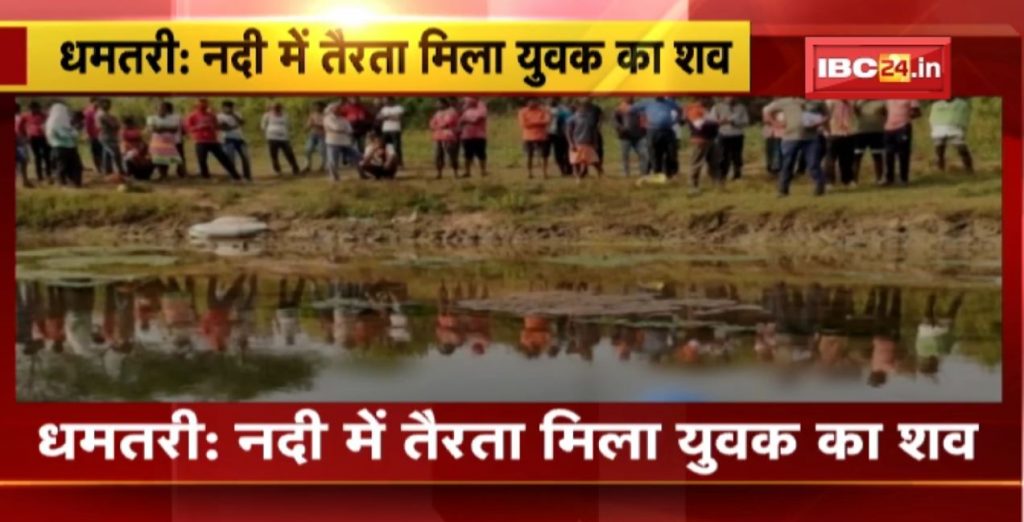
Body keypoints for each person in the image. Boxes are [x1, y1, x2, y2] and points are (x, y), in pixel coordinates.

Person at [765, 97, 827, 196]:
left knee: (813, 163)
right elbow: (768, 112)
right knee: (787, 164)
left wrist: (819, 123)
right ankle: (783, 190)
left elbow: (827, 115)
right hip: (790, 138)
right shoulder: (785, 101)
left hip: (811, 138)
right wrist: (776, 124)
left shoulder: (817, 101)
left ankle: (820, 188)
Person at [185, 99, 240, 180]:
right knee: (202, 160)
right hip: (200, 141)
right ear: (196, 105)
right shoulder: (192, 116)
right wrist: (199, 127)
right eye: (201, 104)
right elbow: (188, 128)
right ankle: (205, 177)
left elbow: (216, 126)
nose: (203, 106)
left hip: (212, 140)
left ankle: (236, 176)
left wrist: (218, 126)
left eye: (205, 104)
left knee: (223, 158)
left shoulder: (211, 115)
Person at [631, 97, 680, 176]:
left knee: (671, 152)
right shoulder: (646, 102)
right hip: (653, 131)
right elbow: (632, 109)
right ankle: (657, 173)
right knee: (655, 153)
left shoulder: (670, 102)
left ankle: (670, 173)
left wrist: (676, 120)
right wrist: (643, 120)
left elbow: (679, 109)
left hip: (667, 130)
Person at [929, 97, 974, 173]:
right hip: (939, 129)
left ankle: (969, 169)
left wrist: (963, 127)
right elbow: (932, 118)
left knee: (962, 149)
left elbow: (964, 117)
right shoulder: (936, 105)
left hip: (954, 129)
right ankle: (940, 169)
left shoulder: (962, 104)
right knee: (939, 151)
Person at [44, 101, 83, 187]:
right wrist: (72, 133)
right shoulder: (53, 123)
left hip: (70, 147)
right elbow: (63, 135)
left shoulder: (64, 122)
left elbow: (73, 132)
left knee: (76, 166)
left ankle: (75, 183)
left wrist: (73, 132)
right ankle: (62, 184)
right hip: (60, 147)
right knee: (62, 167)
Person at [883, 99, 921, 185]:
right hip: (888, 128)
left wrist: (907, 115)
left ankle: (903, 178)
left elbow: (917, 113)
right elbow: (885, 111)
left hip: (903, 127)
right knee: (889, 153)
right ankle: (889, 179)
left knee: (903, 153)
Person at [685, 98, 721, 188]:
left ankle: (717, 184)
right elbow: (699, 124)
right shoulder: (693, 109)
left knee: (714, 162)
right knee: (697, 163)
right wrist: (716, 122)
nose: (710, 100)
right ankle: (693, 185)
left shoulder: (705, 110)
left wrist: (715, 122)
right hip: (700, 140)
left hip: (711, 139)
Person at [710, 97, 749, 180]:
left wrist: (733, 122)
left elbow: (745, 121)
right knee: (722, 155)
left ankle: (737, 174)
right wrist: (720, 121)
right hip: (723, 134)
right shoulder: (717, 107)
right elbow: (711, 121)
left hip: (737, 134)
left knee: (737, 156)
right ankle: (722, 174)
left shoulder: (741, 107)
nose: (731, 97)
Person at [323, 100, 362, 181]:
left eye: (339, 108)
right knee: (333, 161)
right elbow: (336, 128)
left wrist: (342, 130)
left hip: (345, 141)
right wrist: (343, 130)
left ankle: (362, 173)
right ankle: (334, 177)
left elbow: (350, 130)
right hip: (333, 141)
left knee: (357, 157)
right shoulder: (328, 118)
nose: (339, 109)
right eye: (337, 108)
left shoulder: (343, 119)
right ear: (332, 109)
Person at [146, 101, 184, 180]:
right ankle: (161, 174)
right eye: (160, 108)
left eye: (164, 108)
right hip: (157, 142)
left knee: (166, 159)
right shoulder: (151, 118)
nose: (163, 110)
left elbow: (174, 129)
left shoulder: (171, 118)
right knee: (157, 159)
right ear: (156, 109)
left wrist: (161, 128)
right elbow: (153, 129)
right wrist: (167, 128)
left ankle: (164, 174)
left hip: (168, 142)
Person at [566, 101, 602, 181]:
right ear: (578, 108)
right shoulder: (572, 119)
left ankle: (600, 174)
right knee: (575, 161)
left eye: (585, 108)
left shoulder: (590, 119)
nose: (583, 109)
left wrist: (595, 142)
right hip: (576, 143)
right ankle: (577, 178)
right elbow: (568, 132)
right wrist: (571, 143)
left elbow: (594, 131)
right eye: (582, 107)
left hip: (587, 142)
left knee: (593, 160)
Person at [853, 99, 887, 184]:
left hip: (877, 132)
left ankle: (879, 179)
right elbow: (855, 112)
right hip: (861, 132)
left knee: (877, 156)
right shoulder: (859, 101)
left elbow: (886, 114)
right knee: (857, 157)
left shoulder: (882, 101)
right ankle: (854, 180)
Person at [824, 99, 857, 186]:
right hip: (834, 133)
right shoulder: (830, 101)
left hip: (848, 133)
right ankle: (829, 181)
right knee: (831, 159)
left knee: (847, 159)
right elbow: (825, 117)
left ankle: (847, 180)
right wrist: (826, 131)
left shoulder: (851, 102)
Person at [261, 102, 300, 176]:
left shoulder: (285, 115)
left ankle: (295, 168)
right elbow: (263, 125)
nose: (276, 109)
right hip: (272, 137)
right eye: (274, 108)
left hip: (284, 137)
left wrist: (291, 133)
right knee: (274, 155)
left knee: (289, 153)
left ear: (280, 108)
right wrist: (266, 134)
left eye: (278, 107)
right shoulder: (267, 115)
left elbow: (288, 125)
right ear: (272, 108)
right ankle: (277, 169)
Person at [218, 100, 252, 181]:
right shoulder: (219, 116)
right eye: (228, 107)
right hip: (228, 139)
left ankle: (247, 176)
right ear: (223, 108)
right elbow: (224, 128)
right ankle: (234, 176)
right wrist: (235, 126)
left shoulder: (237, 114)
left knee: (246, 157)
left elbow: (243, 122)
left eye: (231, 107)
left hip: (240, 138)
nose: (230, 109)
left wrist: (234, 115)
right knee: (231, 159)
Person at [517, 99, 551, 179]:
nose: (532, 103)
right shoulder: (522, 111)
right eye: (530, 101)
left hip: (542, 136)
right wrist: (540, 122)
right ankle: (529, 173)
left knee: (544, 156)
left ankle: (544, 173)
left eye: (534, 101)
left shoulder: (543, 110)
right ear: (527, 102)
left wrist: (531, 122)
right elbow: (523, 124)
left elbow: (547, 121)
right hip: (528, 137)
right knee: (529, 156)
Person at [614, 97, 648, 177]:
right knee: (625, 156)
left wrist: (645, 128)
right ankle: (626, 174)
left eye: (630, 96)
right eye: (626, 96)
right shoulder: (619, 109)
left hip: (639, 136)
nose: (628, 97)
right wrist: (621, 128)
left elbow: (644, 119)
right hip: (625, 136)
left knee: (644, 154)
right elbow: (615, 121)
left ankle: (643, 172)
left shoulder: (639, 107)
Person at [429, 98, 460, 179]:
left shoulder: (451, 111)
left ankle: (455, 172)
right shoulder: (437, 113)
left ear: (444, 104)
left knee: (451, 155)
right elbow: (432, 123)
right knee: (438, 155)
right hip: (438, 136)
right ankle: (439, 173)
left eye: (439, 103)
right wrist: (435, 126)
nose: (437, 105)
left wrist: (437, 126)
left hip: (448, 136)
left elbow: (447, 122)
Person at [21, 101, 51, 183]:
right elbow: (20, 126)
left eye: (35, 108)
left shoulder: (44, 115)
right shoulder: (26, 116)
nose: (33, 110)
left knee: (47, 156)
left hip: (44, 137)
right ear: (30, 109)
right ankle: (39, 176)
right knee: (37, 157)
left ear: (38, 108)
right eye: (32, 109)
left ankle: (48, 174)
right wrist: (24, 135)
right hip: (33, 138)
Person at [94, 98, 125, 177]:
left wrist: (115, 122)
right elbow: (114, 125)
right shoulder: (102, 114)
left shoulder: (105, 114)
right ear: (101, 104)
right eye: (105, 103)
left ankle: (108, 171)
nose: (107, 105)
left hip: (110, 136)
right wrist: (115, 121)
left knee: (107, 154)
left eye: (108, 103)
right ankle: (119, 171)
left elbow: (116, 125)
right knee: (115, 153)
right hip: (106, 137)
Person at [459, 97, 488, 178]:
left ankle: (483, 171)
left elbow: (478, 118)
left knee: (481, 154)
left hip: (479, 135)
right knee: (467, 154)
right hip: (467, 135)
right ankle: (467, 171)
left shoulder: (481, 108)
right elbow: (461, 121)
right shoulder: (466, 111)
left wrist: (467, 120)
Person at [377, 97, 405, 167]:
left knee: (396, 147)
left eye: (386, 101)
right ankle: (384, 161)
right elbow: (379, 117)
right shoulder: (384, 109)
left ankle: (399, 163)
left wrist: (387, 117)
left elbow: (399, 117)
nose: (385, 102)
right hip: (385, 130)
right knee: (383, 146)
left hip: (395, 129)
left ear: (391, 100)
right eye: (384, 101)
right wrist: (391, 116)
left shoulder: (398, 108)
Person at [548, 97, 572, 176]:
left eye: (553, 99)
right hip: (554, 134)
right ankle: (562, 170)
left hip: (563, 133)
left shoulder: (564, 110)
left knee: (566, 152)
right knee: (558, 154)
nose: (551, 100)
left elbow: (569, 120)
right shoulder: (546, 109)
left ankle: (568, 169)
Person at [303, 101, 326, 173]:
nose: (317, 108)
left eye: (319, 106)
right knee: (308, 150)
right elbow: (309, 124)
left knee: (322, 150)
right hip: (313, 134)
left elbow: (326, 126)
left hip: (322, 135)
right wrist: (306, 128)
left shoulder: (326, 116)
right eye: (316, 106)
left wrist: (316, 125)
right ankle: (307, 165)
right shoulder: (312, 115)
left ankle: (322, 166)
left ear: (323, 107)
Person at [762, 102, 785, 175]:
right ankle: (770, 166)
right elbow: (766, 121)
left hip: (779, 133)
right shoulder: (767, 108)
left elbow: (783, 122)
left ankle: (777, 167)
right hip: (770, 133)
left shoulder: (783, 109)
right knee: (770, 150)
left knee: (778, 150)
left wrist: (773, 121)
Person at [82, 97, 103, 172]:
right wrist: (87, 134)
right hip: (93, 135)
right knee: (95, 152)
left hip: (101, 135)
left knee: (101, 152)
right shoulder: (88, 112)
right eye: (97, 101)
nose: (98, 103)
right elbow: (86, 125)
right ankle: (98, 168)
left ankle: (101, 166)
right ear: (92, 102)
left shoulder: (100, 111)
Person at [14, 103, 31, 188]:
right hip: (20, 141)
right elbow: (24, 130)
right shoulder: (21, 118)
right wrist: (27, 138)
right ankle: (24, 181)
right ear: (19, 109)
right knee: (23, 161)